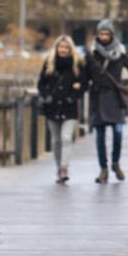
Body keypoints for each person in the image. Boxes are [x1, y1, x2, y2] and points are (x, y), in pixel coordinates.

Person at [87, 20, 128, 184]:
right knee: (100, 136)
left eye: (106, 33)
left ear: (111, 35)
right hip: (97, 97)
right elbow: (83, 76)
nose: (103, 37)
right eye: (101, 33)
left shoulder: (120, 54)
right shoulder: (92, 54)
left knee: (118, 132)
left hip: (115, 98)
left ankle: (115, 163)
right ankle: (103, 169)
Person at [37, 35, 89, 184]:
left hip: (69, 107)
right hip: (52, 107)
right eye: (61, 47)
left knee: (66, 137)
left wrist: (74, 95)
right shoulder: (49, 63)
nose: (63, 50)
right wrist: (46, 95)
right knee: (56, 141)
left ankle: (64, 168)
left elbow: (84, 84)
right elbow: (41, 83)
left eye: (66, 47)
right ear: (57, 47)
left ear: (70, 49)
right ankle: (59, 168)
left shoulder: (77, 64)